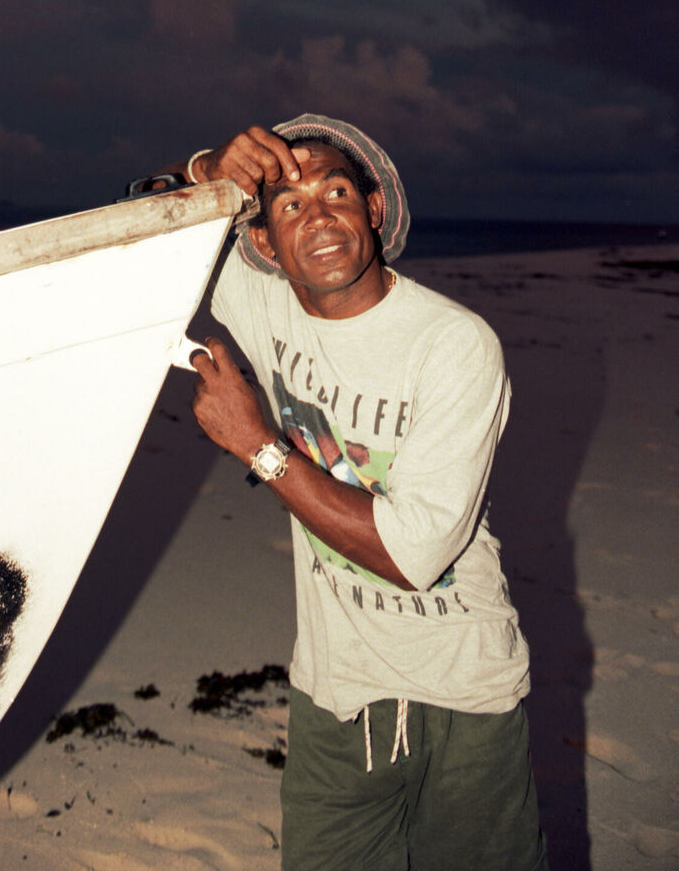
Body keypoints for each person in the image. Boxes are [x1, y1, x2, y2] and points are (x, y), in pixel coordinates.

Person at [162, 115, 548, 871]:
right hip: (333, 693)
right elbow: (141, 231)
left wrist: (258, 445)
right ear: (265, 243)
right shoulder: (261, 300)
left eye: (336, 190)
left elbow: (411, 553)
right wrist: (207, 167)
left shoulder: (453, 343)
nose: (319, 214)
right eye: (290, 202)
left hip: (461, 693)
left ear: (372, 207)